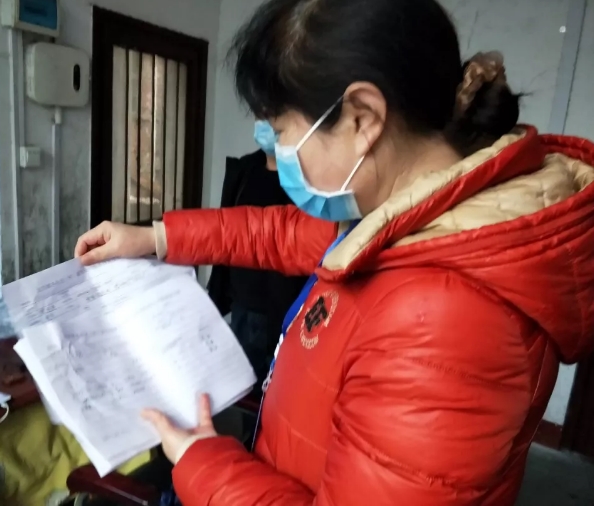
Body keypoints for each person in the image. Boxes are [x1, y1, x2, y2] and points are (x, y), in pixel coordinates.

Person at [75, 0, 594, 504]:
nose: (277, 159)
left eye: (283, 133)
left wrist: (201, 462)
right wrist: (155, 237)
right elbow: (276, 233)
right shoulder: (404, 217)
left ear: (362, 119)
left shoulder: (443, 318)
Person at [207, 146, 307, 396]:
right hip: (243, 308)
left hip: (287, 313)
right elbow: (226, 232)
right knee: (239, 392)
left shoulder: (306, 179)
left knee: (279, 393)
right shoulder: (245, 170)